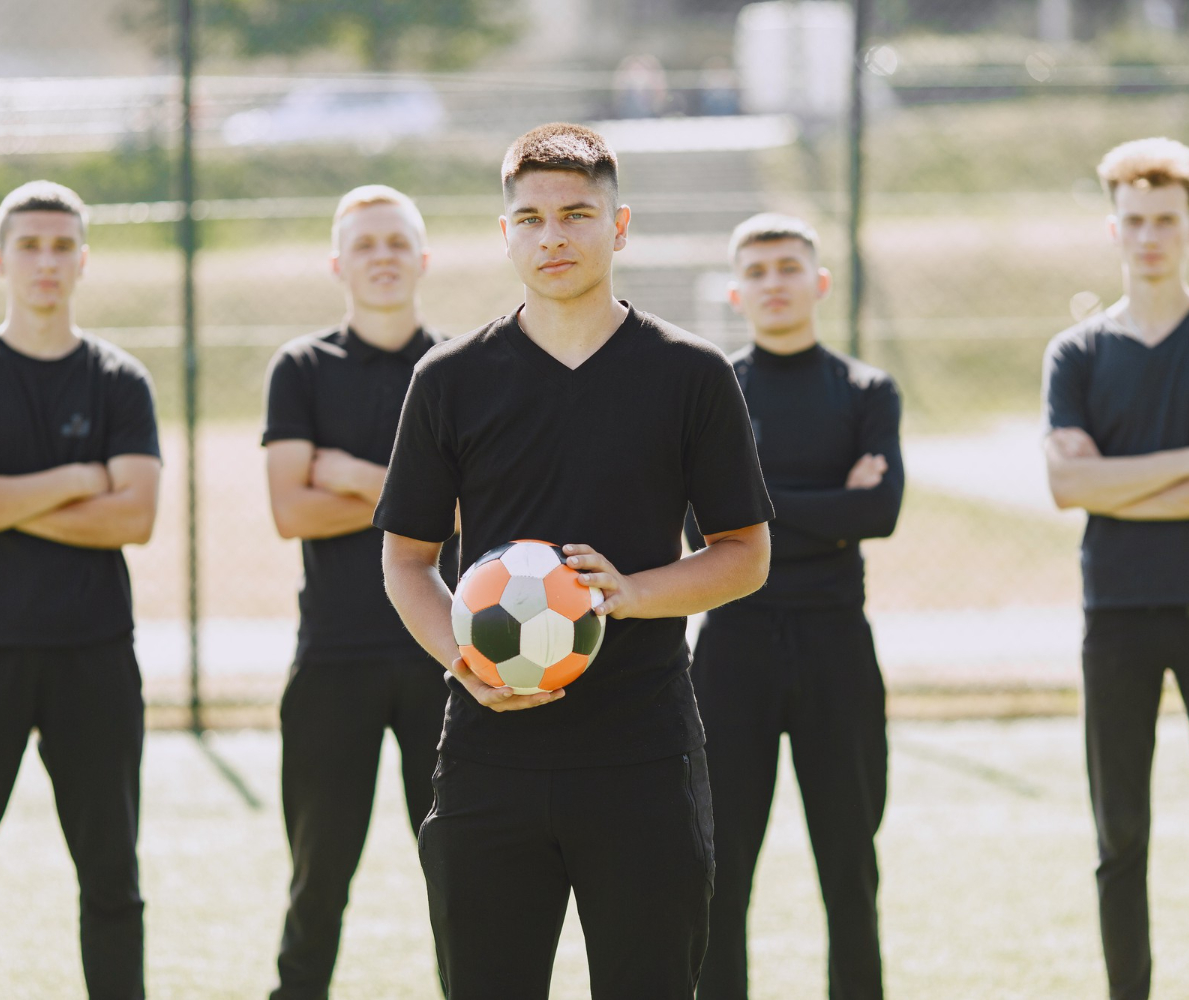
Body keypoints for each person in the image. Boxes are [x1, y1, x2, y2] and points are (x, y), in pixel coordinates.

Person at [376, 123, 773, 1000]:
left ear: (619, 226)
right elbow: (407, 561)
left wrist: (631, 594)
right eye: (530, 219)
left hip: (640, 755)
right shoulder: (448, 379)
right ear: (506, 233)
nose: (552, 235)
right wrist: (462, 656)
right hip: (489, 754)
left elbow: (745, 555)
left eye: (576, 214)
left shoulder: (691, 374)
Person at [0, 180, 161, 1000]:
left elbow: (137, 518)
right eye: (29, 246)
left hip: (94, 655)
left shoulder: (120, 380)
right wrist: (78, 480)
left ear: (83, 260)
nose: (46, 262)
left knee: (112, 877)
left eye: (61, 247)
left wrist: (3, 499)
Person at [1042, 137, 1189, 1000]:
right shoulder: (1076, 353)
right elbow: (1067, 486)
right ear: (1114, 228)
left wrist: (1117, 482)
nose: (1150, 236)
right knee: (1121, 840)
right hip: (1116, 618)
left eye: (1165, 221)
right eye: (1135, 220)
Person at [690, 214, 903, 1000]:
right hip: (733, 648)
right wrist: (828, 509)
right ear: (738, 292)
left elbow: (879, 512)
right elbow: (694, 525)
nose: (774, 282)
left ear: (817, 282)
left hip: (836, 647)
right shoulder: (714, 390)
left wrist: (754, 513)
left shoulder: (865, 390)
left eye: (789, 267)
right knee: (721, 863)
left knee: (849, 861)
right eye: (758, 270)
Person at [261, 184, 456, 999]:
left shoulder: (461, 366)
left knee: (460, 873)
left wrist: (346, 473)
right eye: (365, 244)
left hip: (446, 652)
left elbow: (469, 515)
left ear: (422, 258)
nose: (382, 256)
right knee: (319, 876)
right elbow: (289, 509)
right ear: (339, 262)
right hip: (333, 657)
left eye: (396, 242)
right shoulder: (302, 368)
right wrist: (407, 496)